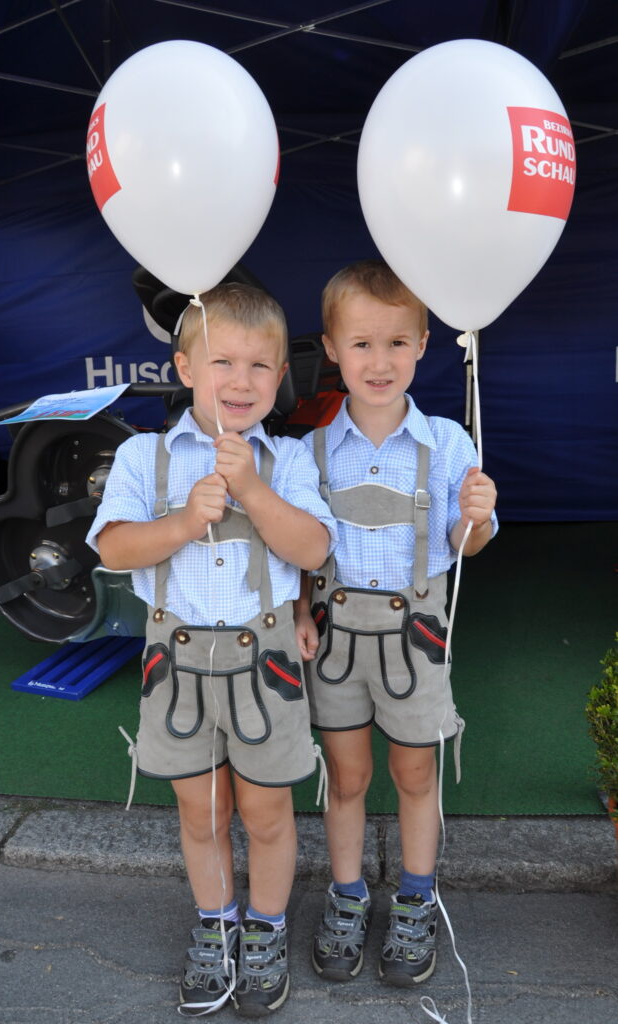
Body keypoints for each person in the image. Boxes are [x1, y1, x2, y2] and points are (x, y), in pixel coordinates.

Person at [86, 282, 336, 1018]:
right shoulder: (145, 456)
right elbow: (112, 546)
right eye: (223, 361)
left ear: (278, 379)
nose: (242, 380)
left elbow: (314, 546)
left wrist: (252, 490)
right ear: (185, 366)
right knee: (202, 814)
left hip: (265, 664)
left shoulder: (286, 459)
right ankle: (214, 923)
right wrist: (181, 523)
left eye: (261, 366)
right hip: (179, 662)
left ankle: (264, 929)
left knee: (266, 814)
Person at [294, 259, 497, 989]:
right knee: (347, 776)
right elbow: (297, 555)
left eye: (396, 343)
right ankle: (347, 894)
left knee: (415, 771)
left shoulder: (448, 444)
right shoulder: (308, 452)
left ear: (423, 342)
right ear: (332, 347)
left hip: (416, 637)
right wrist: (296, 614)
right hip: (337, 636)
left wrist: (475, 517)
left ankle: (415, 895)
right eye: (361, 344)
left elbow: (464, 547)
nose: (379, 362)